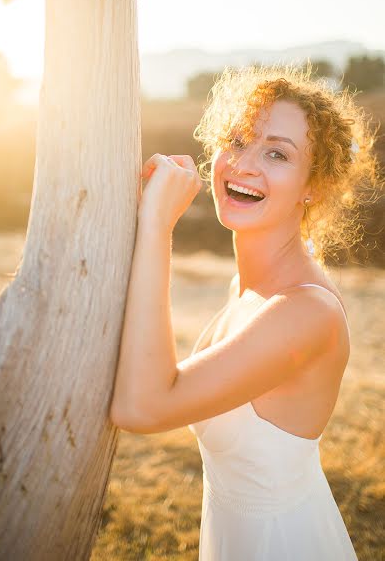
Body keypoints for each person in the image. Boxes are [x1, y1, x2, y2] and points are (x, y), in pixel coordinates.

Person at [110, 63, 380, 560]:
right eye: (237, 140)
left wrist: (156, 226)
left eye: (277, 153)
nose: (245, 164)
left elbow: (140, 408)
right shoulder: (248, 286)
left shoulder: (305, 312)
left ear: (312, 187)